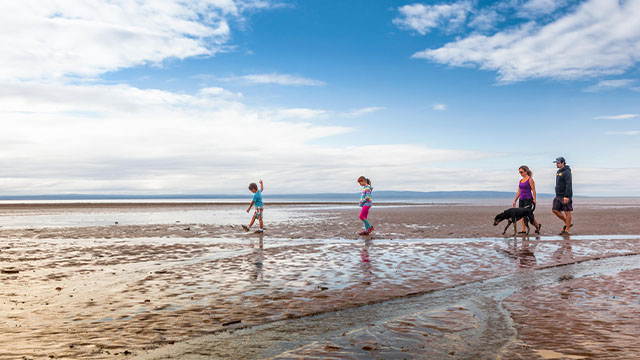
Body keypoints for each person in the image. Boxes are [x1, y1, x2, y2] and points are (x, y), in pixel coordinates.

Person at [512, 165, 541, 234]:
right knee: (521, 215)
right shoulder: (520, 181)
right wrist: (515, 200)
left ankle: (537, 226)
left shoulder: (530, 180)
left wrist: (534, 199)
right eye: (519, 172)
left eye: (521, 172)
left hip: (528, 199)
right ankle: (523, 229)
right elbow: (519, 191)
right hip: (521, 199)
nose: (520, 173)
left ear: (526, 171)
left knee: (529, 215)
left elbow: (533, 190)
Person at [552, 157, 573, 235]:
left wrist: (567, 196)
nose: (556, 164)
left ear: (563, 163)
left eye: (558, 163)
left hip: (565, 195)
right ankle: (567, 223)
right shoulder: (558, 171)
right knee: (554, 210)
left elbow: (569, 184)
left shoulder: (567, 172)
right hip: (558, 195)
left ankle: (567, 229)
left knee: (567, 212)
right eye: (556, 163)